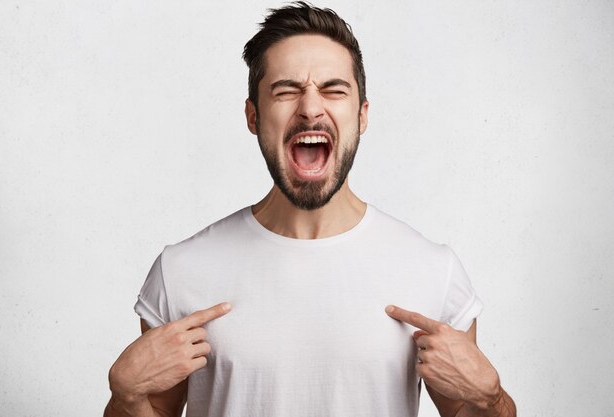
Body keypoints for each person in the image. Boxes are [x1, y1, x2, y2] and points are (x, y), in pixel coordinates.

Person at [104, 3, 517, 417]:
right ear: (253, 116)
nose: (310, 108)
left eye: (334, 89)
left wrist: (493, 399)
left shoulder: (433, 271)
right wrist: (126, 399)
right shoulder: (182, 271)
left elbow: (478, 409)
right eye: (285, 90)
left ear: (362, 115)